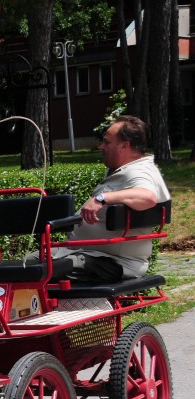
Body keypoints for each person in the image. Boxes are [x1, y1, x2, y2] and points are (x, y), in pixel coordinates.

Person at [53, 115, 169, 282]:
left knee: (38, 270)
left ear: (124, 145)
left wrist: (101, 198)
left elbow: (148, 197)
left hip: (111, 262)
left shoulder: (138, 172)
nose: (101, 146)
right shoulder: (124, 169)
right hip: (83, 253)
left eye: (107, 142)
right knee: (26, 265)